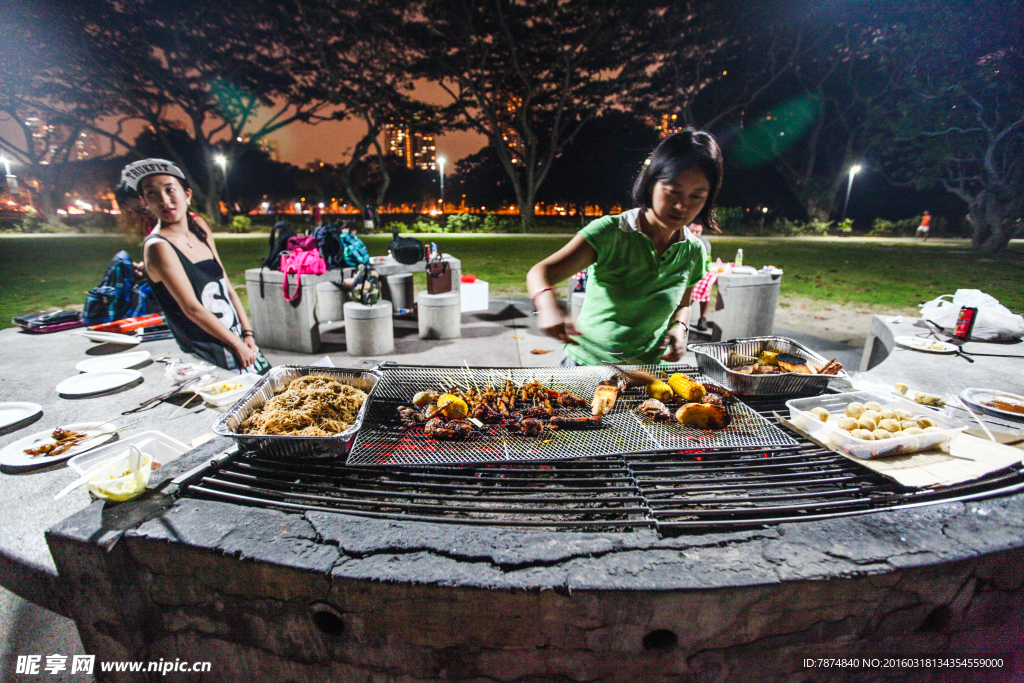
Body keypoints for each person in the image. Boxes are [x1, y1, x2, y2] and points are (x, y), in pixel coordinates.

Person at [527, 129, 722, 366]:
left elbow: (683, 304)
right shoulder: (612, 233)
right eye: (673, 191)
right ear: (651, 182)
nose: (682, 205)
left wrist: (679, 327)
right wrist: (547, 306)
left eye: (697, 197)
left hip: (645, 371)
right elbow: (541, 272)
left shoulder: (693, 251)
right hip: (586, 364)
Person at [120, 158, 270, 374]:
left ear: (187, 194)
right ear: (145, 201)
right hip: (209, 350)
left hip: (239, 340)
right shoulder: (158, 246)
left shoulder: (198, 226)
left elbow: (225, 284)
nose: (164, 200)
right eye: (152, 193)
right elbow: (191, 308)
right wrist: (236, 345)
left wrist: (247, 335)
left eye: (170, 190)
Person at [688, 221, 717, 331]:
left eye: (698, 231)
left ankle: (702, 318)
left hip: (698, 271)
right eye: (692, 231)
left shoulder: (704, 243)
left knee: (705, 287)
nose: (695, 234)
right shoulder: (682, 240)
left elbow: (706, 261)